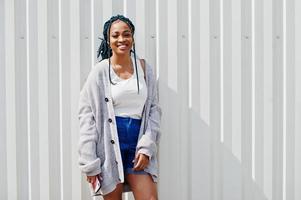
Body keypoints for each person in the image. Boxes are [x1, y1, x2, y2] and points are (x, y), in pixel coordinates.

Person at [78, 14, 162, 200]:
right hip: (109, 147)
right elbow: (86, 116)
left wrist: (147, 146)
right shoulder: (100, 72)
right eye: (115, 35)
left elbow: (154, 110)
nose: (121, 39)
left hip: (137, 144)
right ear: (108, 40)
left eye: (126, 34)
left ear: (132, 37)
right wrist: (89, 162)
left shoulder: (144, 69)